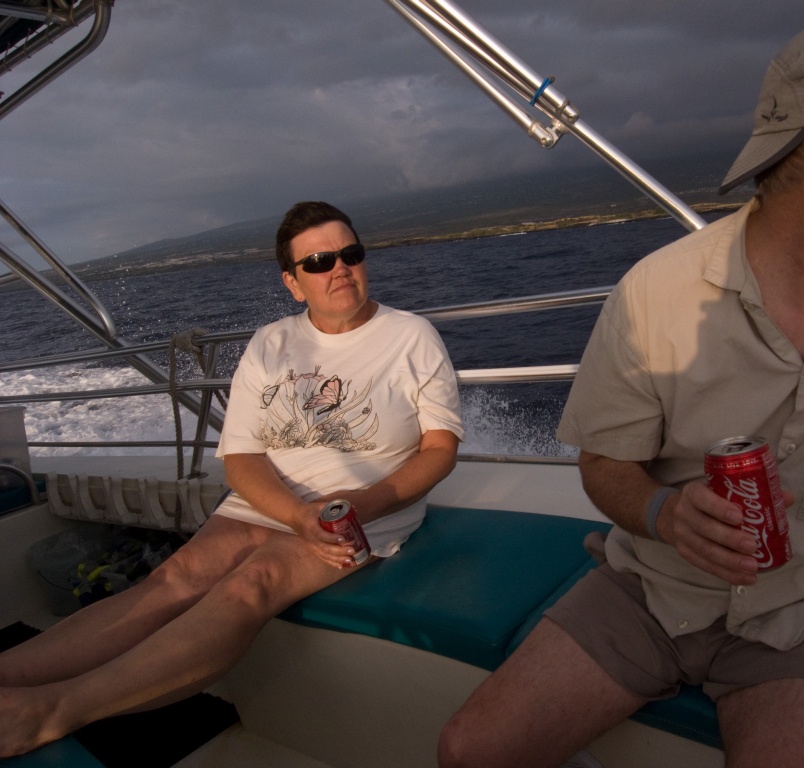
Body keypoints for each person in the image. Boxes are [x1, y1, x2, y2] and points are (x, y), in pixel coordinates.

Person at [437, 4, 804, 768]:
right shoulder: (656, 293)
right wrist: (663, 512)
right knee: (468, 750)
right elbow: (605, 464)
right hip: (655, 587)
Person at [0, 200, 463, 757]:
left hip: (367, 510)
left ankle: (55, 709)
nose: (338, 268)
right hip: (272, 501)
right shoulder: (270, 342)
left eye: (349, 254)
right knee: (175, 579)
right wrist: (293, 514)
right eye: (317, 262)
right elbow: (242, 458)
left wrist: (360, 505)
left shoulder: (412, 336)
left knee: (252, 583)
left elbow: (439, 450)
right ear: (293, 283)